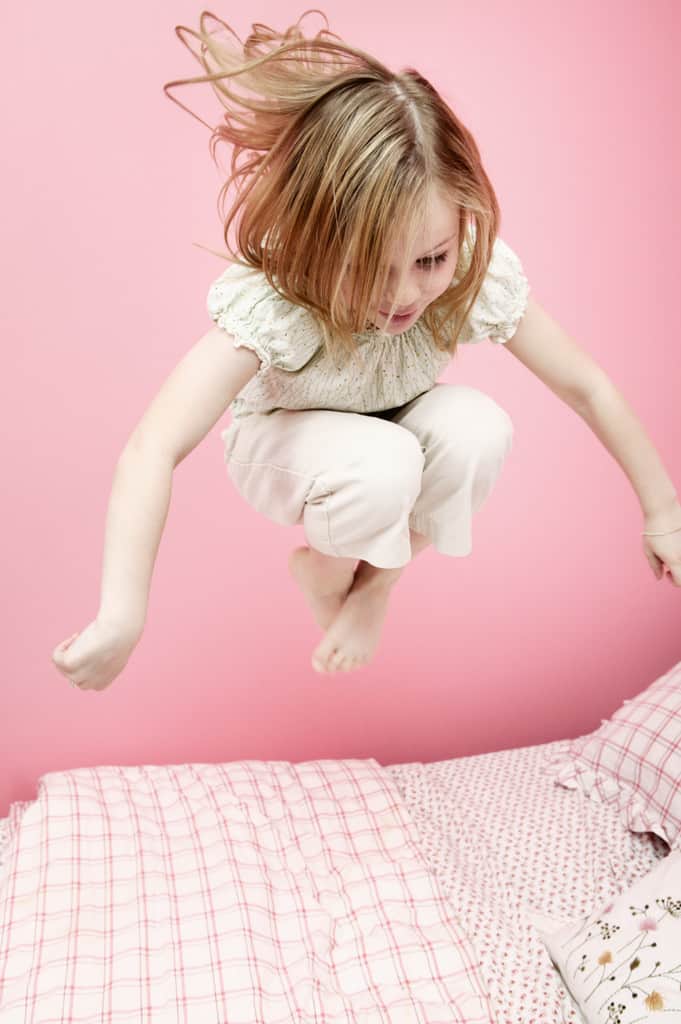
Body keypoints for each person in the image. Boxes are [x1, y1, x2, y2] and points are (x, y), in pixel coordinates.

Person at [51, 11, 681, 693]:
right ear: (317, 241)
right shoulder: (280, 304)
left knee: (477, 426)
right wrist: (122, 616)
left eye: (429, 259)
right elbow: (152, 446)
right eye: (368, 267)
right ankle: (329, 560)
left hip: (392, 442)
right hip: (288, 452)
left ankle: (370, 588)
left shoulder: (469, 273)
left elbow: (584, 383)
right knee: (382, 461)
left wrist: (663, 513)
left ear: (463, 219)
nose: (404, 295)